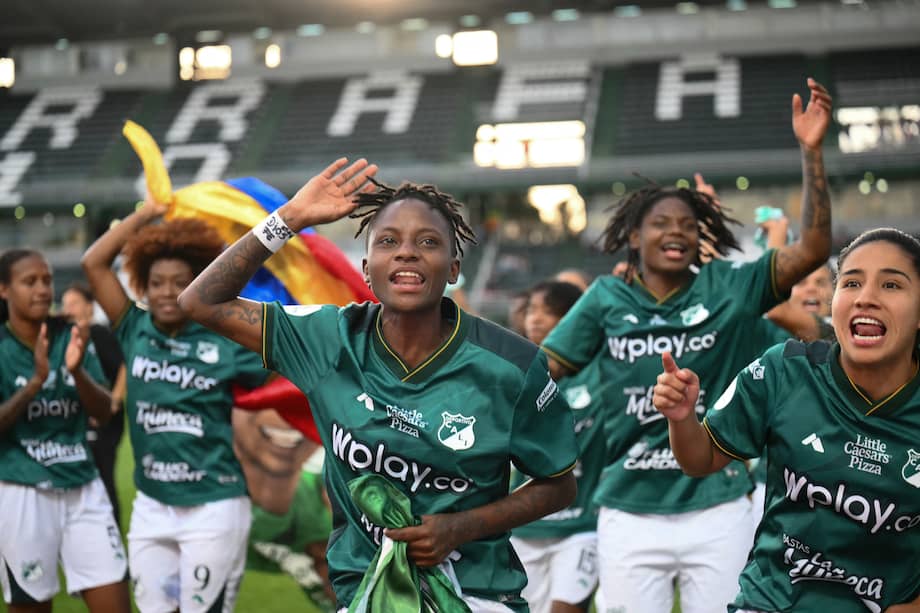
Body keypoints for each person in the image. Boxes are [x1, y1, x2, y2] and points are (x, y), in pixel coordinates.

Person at [175, 158, 579, 612]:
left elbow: (558, 485)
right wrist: (289, 218)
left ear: (453, 269)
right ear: (367, 269)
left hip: (477, 597)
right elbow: (200, 301)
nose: (407, 252)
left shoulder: (511, 365)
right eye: (388, 241)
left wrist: (461, 527)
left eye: (428, 242)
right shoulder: (326, 339)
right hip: (368, 596)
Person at [540, 78, 833, 613]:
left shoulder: (731, 287)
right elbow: (543, 370)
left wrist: (811, 152)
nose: (676, 231)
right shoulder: (605, 298)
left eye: (688, 224)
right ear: (634, 236)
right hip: (628, 508)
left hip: (718, 505)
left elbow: (813, 247)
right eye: (660, 223)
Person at [653, 227, 920, 612]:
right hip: (769, 603)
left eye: (891, 285)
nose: (865, 297)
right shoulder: (784, 370)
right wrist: (681, 419)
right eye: (851, 283)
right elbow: (700, 459)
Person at [81, 210, 271, 613]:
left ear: (198, 284)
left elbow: (284, 369)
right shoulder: (134, 328)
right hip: (152, 506)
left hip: (214, 505)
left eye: (180, 283)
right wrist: (146, 214)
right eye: (156, 283)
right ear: (143, 286)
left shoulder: (226, 338)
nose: (167, 292)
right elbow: (93, 263)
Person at [0, 249, 130, 613]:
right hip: (21, 491)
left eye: (46, 280)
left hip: (83, 486)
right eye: (30, 282)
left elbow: (103, 412)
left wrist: (77, 372)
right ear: (4, 289)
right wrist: (35, 383)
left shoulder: (70, 336)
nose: (43, 289)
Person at [510, 280, 606, 613]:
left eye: (549, 312)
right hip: (525, 526)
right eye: (532, 310)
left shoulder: (598, 375)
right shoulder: (512, 374)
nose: (536, 319)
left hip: (581, 524)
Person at [60, 280, 126, 526]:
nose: (68, 309)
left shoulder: (99, 334)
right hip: (80, 419)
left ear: (89, 306)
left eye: (74, 303)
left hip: (104, 419)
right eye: (65, 304)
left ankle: (111, 531)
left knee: (103, 475)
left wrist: (114, 400)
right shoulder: (65, 337)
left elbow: (123, 365)